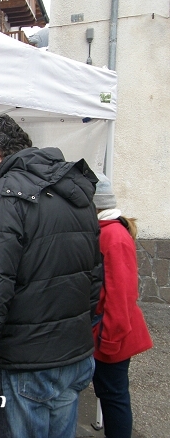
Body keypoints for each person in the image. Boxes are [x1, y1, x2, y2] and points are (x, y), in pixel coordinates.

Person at [0, 114, 102, 438]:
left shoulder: (3, 196)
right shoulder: (74, 191)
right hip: (73, 355)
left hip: (27, 365)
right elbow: (94, 278)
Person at [92, 173, 153, 438]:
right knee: (110, 394)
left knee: (114, 397)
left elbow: (122, 296)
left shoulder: (113, 236)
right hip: (105, 331)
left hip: (111, 334)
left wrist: (109, 342)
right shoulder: (107, 231)